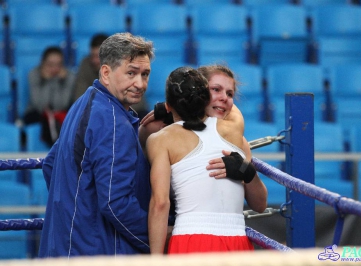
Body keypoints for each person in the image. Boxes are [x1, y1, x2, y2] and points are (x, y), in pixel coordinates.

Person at [38, 32, 154, 258]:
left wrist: (77, 214)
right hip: (96, 252)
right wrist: (156, 239)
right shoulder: (112, 119)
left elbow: (50, 164)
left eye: (145, 74)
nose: (140, 83)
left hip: (68, 246)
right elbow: (115, 203)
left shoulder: (84, 102)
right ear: (106, 73)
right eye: (131, 73)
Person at [147, 66, 267, 254]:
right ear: (201, 93)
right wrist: (171, 105)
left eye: (230, 93)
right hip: (208, 236)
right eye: (216, 89)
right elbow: (143, 131)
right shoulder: (233, 128)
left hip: (217, 238)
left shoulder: (236, 137)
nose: (224, 98)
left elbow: (260, 205)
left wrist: (246, 171)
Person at [23, 46, 75, 146]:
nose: (55, 68)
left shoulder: (69, 76)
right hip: (37, 114)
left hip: (60, 114)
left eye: (58, 64)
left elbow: (61, 104)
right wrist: (46, 81)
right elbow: (40, 105)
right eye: (50, 64)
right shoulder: (33, 74)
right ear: (43, 63)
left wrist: (59, 81)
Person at [72, 33, 108, 101]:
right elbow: (79, 97)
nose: (94, 60)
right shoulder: (85, 64)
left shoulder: (119, 66)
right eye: (92, 55)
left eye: (98, 57)